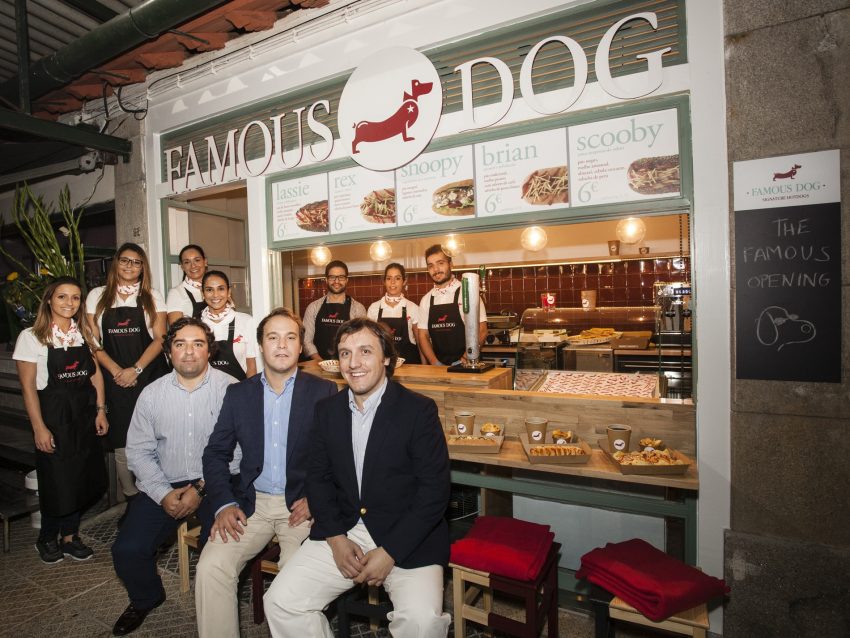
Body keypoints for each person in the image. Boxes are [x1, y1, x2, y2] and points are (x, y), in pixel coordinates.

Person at [264, 318, 451, 638]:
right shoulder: (327, 411)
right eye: (345, 353)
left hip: (408, 536)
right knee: (281, 602)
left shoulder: (418, 411)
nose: (354, 363)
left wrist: (391, 551)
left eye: (365, 351)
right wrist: (336, 540)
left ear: (387, 358)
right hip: (345, 530)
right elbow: (318, 480)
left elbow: (434, 492)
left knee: (421, 622)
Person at [195, 307, 337, 638]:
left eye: (290, 337)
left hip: (300, 506)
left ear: (301, 346)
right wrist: (223, 503)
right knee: (211, 567)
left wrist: (317, 497)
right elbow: (215, 453)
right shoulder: (238, 394)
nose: (282, 345)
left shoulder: (323, 392)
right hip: (251, 504)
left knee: (293, 582)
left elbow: (338, 457)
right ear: (260, 345)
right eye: (273, 337)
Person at [110, 318, 236, 636]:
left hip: (217, 482)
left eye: (198, 344)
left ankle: (216, 612)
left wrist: (201, 488)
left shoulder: (232, 390)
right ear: (169, 353)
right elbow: (138, 452)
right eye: (180, 344)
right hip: (164, 482)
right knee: (127, 549)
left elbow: (242, 452)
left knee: (216, 550)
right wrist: (163, 493)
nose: (189, 352)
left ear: (210, 351)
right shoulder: (151, 394)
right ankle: (147, 597)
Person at [14, 277, 109, 564]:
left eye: (76, 297)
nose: (70, 303)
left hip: (83, 415)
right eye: (62, 296)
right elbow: (28, 388)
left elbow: (95, 375)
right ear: (49, 300)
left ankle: (69, 537)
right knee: (56, 481)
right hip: (53, 418)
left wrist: (101, 410)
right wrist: (39, 428)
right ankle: (46, 538)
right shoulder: (31, 336)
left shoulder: (84, 334)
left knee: (79, 477)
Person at [86, 242, 169, 519]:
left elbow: (160, 338)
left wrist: (135, 369)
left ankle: (157, 496)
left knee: (154, 439)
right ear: (116, 263)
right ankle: (132, 500)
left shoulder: (152, 296)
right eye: (125, 260)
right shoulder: (97, 296)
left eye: (136, 262)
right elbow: (92, 340)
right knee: (122, 442)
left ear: (143, 267)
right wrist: (116, 371)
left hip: (149, 376)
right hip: (115, 379)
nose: (130, 266)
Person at [417, 244, 487, 366]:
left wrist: (465, 358)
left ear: (451, 264)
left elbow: (482, 330)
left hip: (468, 364)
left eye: (440, 263)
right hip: (438, 368)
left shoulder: (468, 293)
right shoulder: (426, 300)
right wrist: (435, 363)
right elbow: (423, 335)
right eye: (431, 266)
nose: (436, 269)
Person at [302, 260, 366, 362]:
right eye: (332, 277)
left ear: (346, 280)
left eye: (341, 277)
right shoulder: (313, 307)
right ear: (326, 280)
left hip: (349, 364)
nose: (336, 281)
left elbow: (362, 341)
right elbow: (306, 340)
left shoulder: (358, 309)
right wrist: (320, 362)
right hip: (318, 364)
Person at [199, 270, 257, 380]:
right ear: (202, 293)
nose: (215, 295)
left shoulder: (245, 321)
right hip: (205, 389)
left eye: (221, 289)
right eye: (209, 290)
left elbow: (251, 367)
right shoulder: (196, 324)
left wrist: (251, 389)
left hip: (239, 388)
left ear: (229, 292)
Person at [366, 262, 422, 364]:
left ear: (404, 281)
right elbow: (369, 341)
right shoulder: (374, 308)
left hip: (409, 364)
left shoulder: (413, 308)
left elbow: (420, 341)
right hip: (383, 365)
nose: (392, 282)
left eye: (397, 278)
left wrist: (425, 366)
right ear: (384, 281)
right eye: (389, 278)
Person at [166, 244, 208, 323]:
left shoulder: (218, 288)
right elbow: (176, 328)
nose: (193, 265)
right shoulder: (176, 293)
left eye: (197, 260)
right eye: (187, 262)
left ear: (205, 262)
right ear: (182, 267)